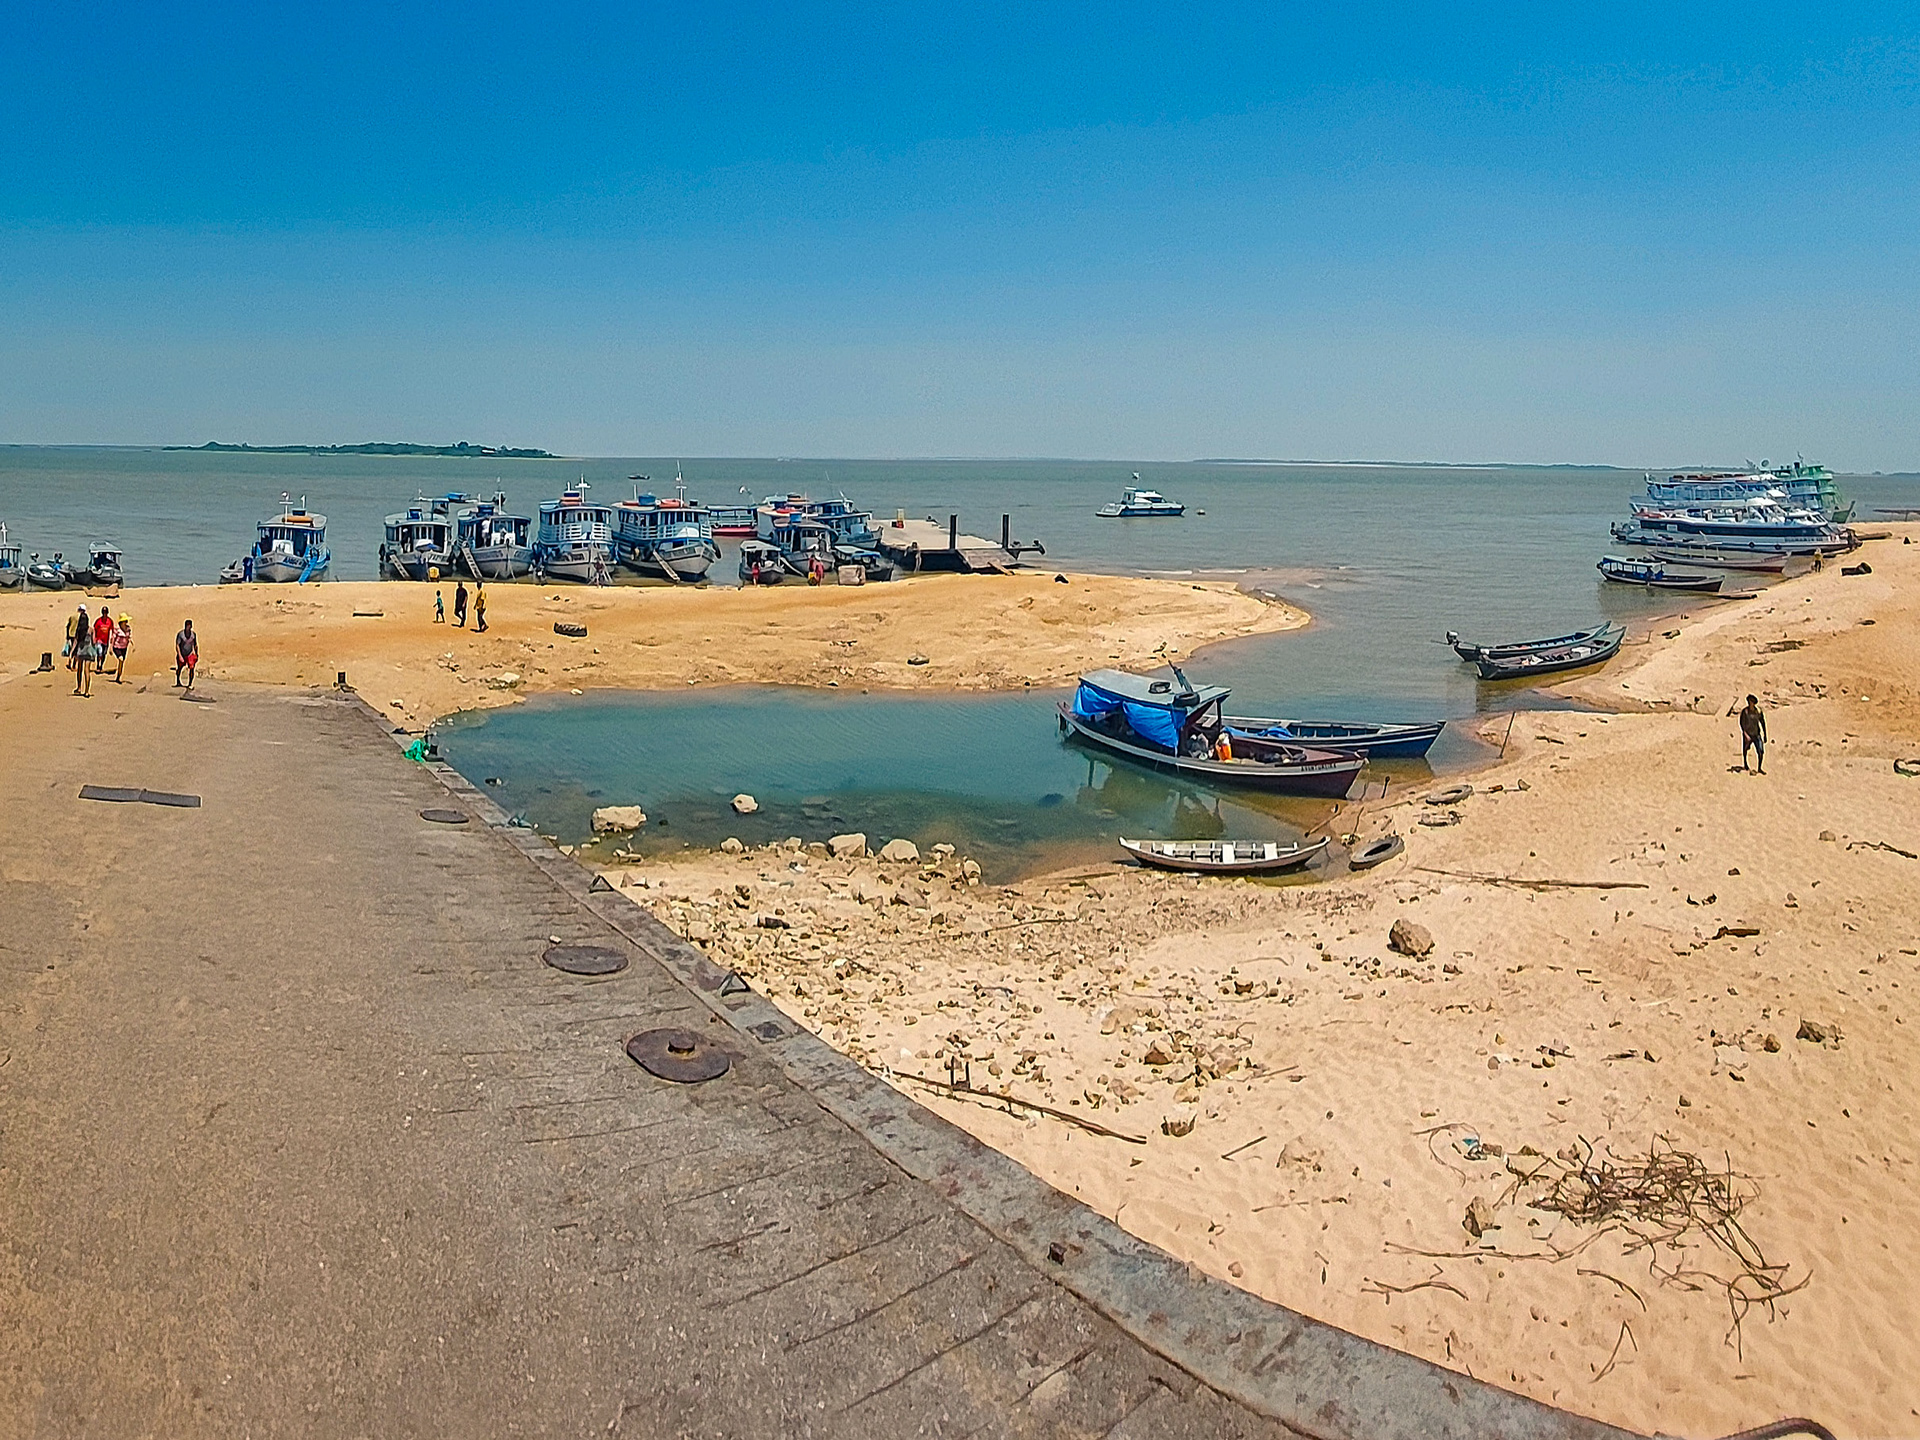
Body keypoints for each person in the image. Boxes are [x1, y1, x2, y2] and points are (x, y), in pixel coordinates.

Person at [1738, 693, 1767, 773]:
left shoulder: (1758, 712)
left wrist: (1765, 734)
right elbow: (1742, 723)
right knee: (1745, 749)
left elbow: (1762, 722)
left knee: (1760, 751)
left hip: (1756, 734)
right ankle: (1745, 764)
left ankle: (1759, 768)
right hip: (1748, 734)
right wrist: (1745, 733)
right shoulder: (1745, 712)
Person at [71, 608, 94, 695]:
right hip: (88, 650)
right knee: (87, 670)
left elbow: (75, 641)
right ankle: (87, 691)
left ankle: (79, 687)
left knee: (79, 670)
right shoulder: (90, 630)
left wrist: (71, 653)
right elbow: (94, 641)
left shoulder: (79, 630)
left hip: (80, 650)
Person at [175, 620, 198, 690]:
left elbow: (195, 644)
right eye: (186, 625)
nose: (188, 627)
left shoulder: (193, 635)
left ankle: (190, 683)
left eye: (189, 625)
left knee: (192, 668)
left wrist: (196, 653)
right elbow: (177, 645)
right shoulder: (181, 634)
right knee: (180, 668)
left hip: (190, 654)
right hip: (182, 654)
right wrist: (180, 655)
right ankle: (178, 680)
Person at [109, 613, 131, 683]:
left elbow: (129, 636)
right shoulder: (117, 629)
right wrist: (111, 648)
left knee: (122, 662)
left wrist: (130, 640)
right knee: (120, 659)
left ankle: (118, 676)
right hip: (117, 647)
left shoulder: (128, 629)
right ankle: (118, 676)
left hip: (124, 647)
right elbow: (113, 638)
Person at [92, 609, 113, 673]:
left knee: (104, 654)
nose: (104, 614)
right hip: (99, 640)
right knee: (99, 653)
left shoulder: (110, 621)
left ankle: (101, 665)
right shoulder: (98, 621)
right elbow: (94, 629)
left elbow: (112, 629)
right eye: (103, 613)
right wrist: (94, 638)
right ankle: (98, 665)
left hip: (106, 640)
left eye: (106, 613)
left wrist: (112, 639)